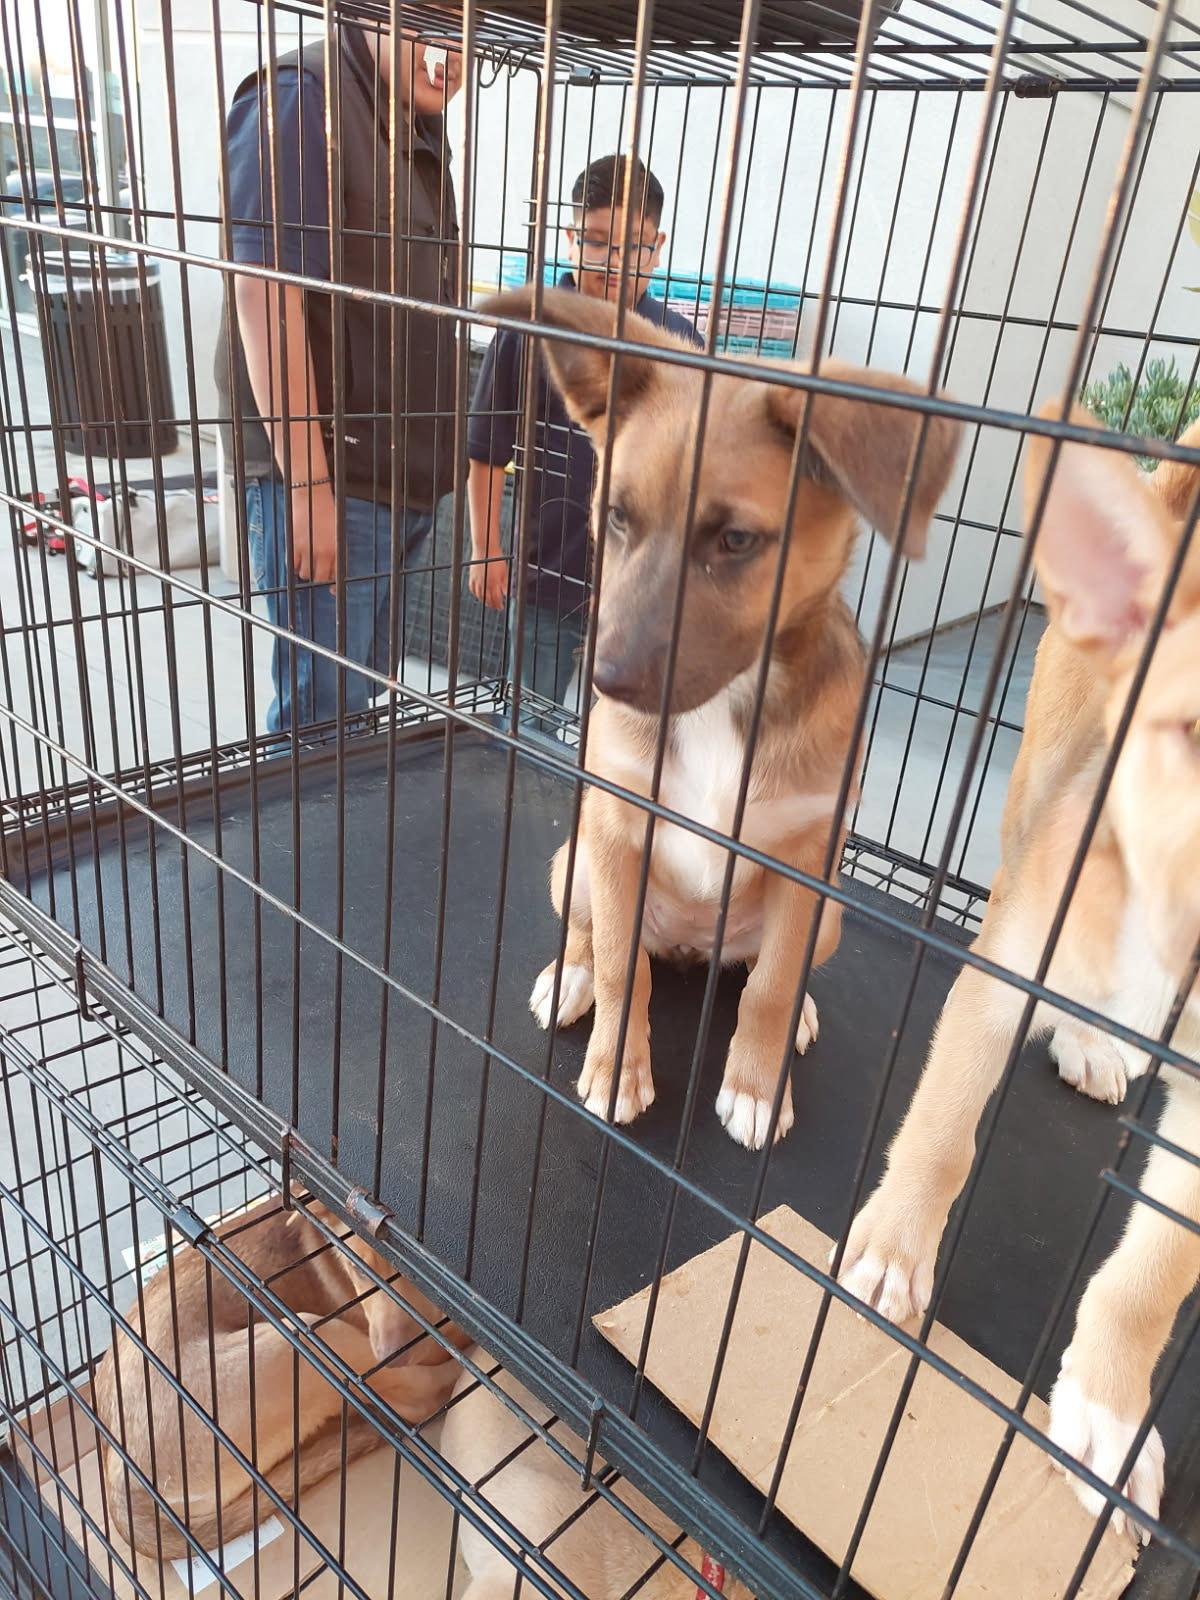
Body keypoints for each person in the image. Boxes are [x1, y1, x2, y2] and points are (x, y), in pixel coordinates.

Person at [215, 22, 462, 733]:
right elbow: (263, 292)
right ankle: (311, 850)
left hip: (400, 480)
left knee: (356, 705)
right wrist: (307, 483)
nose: (452, 52)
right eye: (433, 19)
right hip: (336, 477)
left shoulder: (410, 117)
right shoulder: (303, 96)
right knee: (321, 726)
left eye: (469, 27)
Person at [467, 154, 702, 736]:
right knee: (527, 722)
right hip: (546, 569)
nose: (615, 263)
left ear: (659, 245)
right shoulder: (533, 328)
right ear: (571, 238)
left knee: (631, 738)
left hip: (641, 589)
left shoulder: (680, 343)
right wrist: (485, 548)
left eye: (635, 246)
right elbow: (486, 445)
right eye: (597, 242)